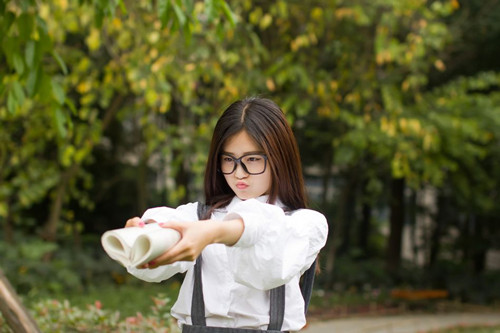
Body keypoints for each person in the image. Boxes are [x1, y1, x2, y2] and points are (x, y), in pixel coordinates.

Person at [124, 97, 329, 332]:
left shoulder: (305, 223)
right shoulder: (198, 216)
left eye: (252, 159)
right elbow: (167, 232)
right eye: (229, 160)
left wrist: (213, 232)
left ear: (279, 159)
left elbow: (270, 254)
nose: (239, 173)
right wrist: (144, 235)